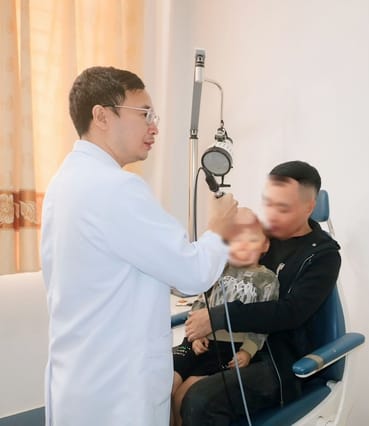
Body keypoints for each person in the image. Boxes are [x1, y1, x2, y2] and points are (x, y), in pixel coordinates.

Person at [40, 66, 238, 426]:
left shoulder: (64, 181)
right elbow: (193, 275)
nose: (154, 127)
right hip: (119, 388)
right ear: (102, 116)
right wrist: (219, 230)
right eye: (144, 113)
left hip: (80, 378)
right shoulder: (117, 189)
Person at [180, 161, 341, 425]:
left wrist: (220, 317)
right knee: (157, 378)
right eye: (269, 204)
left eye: (283, 208)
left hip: (277, 358)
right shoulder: (257, 237)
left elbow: (291, 312)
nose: (272, 216)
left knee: (199, 401)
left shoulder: (322, 256)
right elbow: (219, 276)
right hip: (224, 342)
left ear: (308, 208)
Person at [171, 207, 279, 426]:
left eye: (252, 240)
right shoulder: (220, 270)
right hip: (199, 342)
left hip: (228, 349)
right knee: (165, 387)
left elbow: (264, 322)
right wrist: (195, 334)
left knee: (184, 394)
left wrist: (247, 351)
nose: (244, 245)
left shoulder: (267, 280)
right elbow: (202, 302)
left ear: (265, 245)